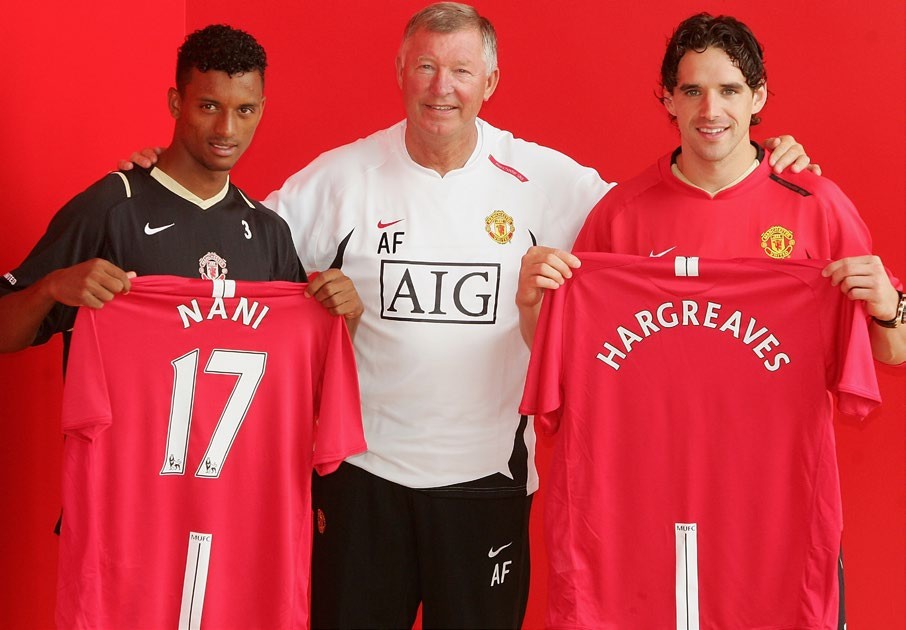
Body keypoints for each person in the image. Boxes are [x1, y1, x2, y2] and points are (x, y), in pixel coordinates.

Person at [121, 5, 813, 628]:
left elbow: (663, 222)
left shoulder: (546, 179)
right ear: (400, 72)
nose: (440, 86)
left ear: (491, 82)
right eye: (424, 66)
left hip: (488, 481)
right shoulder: (340, 178)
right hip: (363, 481)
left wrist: (761, 162)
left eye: (460, 70)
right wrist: (174, 182)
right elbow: (236, 249)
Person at [516, 12, 904, 629]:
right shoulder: (620, 216)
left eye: (728, 90)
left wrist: (889, 305)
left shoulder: (816, 205)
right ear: (667, 98)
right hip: (639, 504)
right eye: (692, 90)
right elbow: (566, 359)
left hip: (773, 510)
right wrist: (533, 305)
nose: (709, 109)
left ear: (759, 97)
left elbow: (892, 352)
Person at [0, 24, 363, 355]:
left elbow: (305, 364)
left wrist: (346, 317)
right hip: (130, 430)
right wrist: (50, 288)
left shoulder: (269, 232)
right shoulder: (112, 206)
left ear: (262, 110)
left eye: (245, 110)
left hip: (242, 432)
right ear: (176, 103)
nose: (227, 129)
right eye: (209, 106)